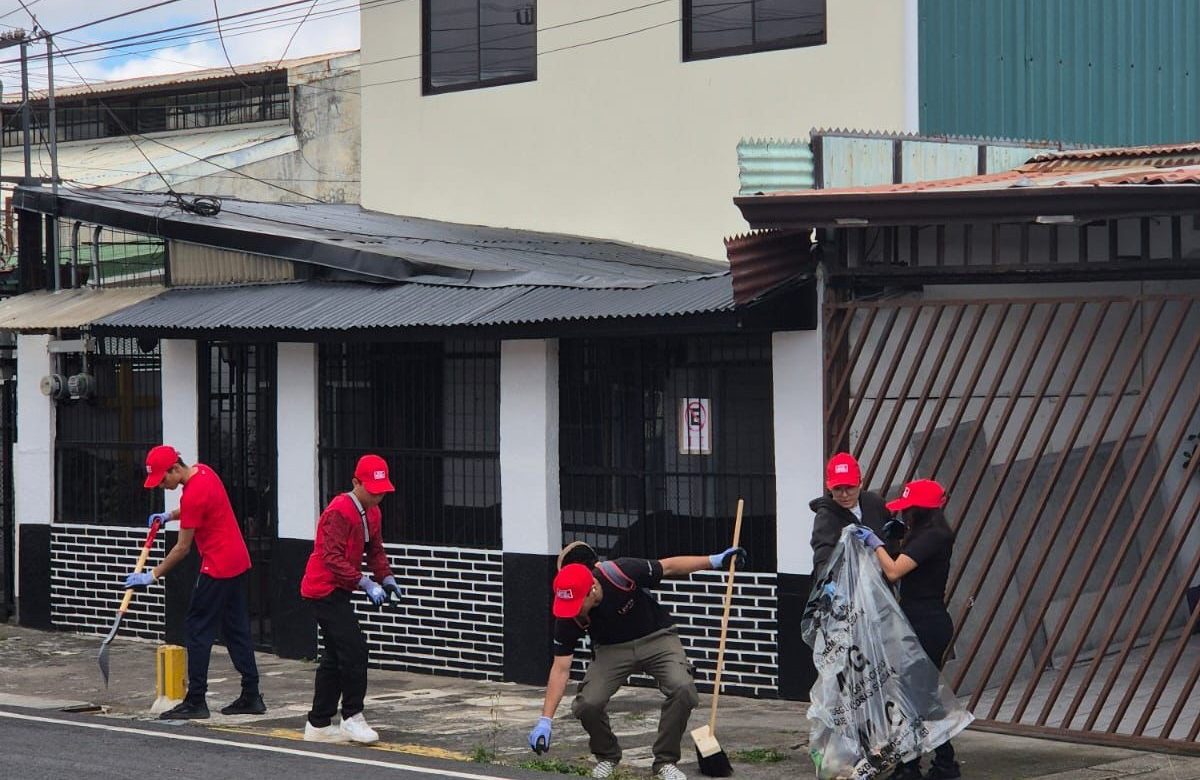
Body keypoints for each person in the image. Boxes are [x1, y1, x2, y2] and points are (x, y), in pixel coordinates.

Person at [527, 545, 747, 780]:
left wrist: (714, 561)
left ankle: (665, 762)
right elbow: (560, 669)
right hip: (611, 650)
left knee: (683, 689)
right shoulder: (567, 616)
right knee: (587, 705)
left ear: (592, 589)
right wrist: (545, 720)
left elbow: (669, 566)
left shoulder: (622, 572)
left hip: (656, 638)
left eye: (576, 604)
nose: (571, 611)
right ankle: (607, 756)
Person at [123, 445, 265, 720]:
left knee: (197, 630)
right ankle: (252, 694)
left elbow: (182, 548)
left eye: (163, 480)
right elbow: (193, 510)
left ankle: (196, 700)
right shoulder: (203, 472)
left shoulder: (193, 493)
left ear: (175, 468)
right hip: (237, 562)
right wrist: (169, 516)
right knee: (236, 630)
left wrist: (151, 576)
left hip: (217, 567)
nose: (161, 486)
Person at [854, 478, 962, 780]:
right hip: (918, 619)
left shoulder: (933, 536)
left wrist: (875, 543)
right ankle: (931, 764)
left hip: (926, 623)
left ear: (920, 510)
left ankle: (926, 765)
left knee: (918, 696)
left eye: (908, 509)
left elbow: (893, 572)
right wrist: (897, 540)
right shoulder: (926, 534)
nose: (903, 514)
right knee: (917, 696)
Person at [299, 453, 403, 745]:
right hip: (323, 590)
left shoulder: (373, 513)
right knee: (355, 650)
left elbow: (375, 550)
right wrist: (365, 582)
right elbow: (330, 557)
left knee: (334, 657)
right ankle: (352, 716)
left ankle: (318, 723)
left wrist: (387, 578)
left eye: (382, 491)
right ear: (356, 482)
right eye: (372, 490)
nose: (377, 496)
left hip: (340, 589)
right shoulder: (339, 511)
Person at [810, 452, 894, 579]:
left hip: (881, 581)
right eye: (837, 489)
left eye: (850, 487)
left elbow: (891, 542)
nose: (844, 495)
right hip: (845, 584)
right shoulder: (826, 517)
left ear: (861, 483)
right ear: (829, 487)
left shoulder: (875, 504)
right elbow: (823, 557)